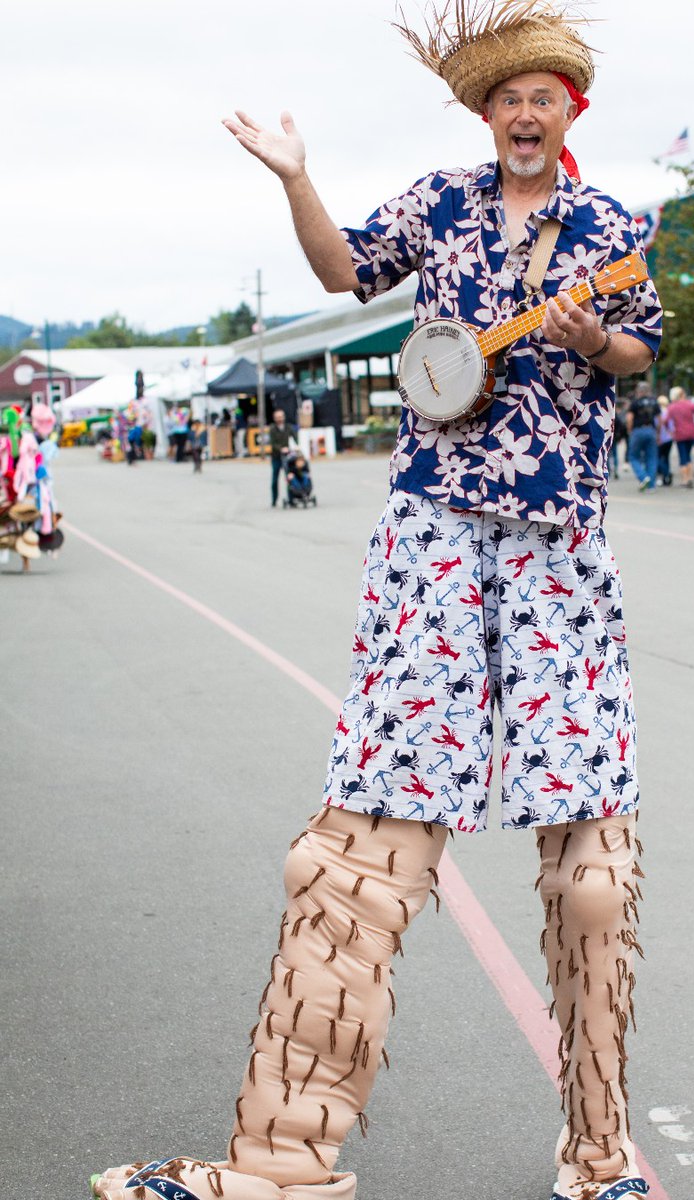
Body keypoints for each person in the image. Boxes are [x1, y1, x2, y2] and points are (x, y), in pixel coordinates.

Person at [91, 7, 662, 1200]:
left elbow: (638, 354)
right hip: (434, 529)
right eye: (505, 99)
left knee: (593, 872)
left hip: (560, 535)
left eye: (543, 96)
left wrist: (591, 333)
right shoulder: (436, 202)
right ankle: (280, 1163)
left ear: (571, 111)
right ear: (486, 113)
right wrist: (299, 180)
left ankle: (601, 1161)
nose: (522, 114)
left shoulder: (612, 225)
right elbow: (347, 270)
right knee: (360, 845)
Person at [625, 382, 659, 492]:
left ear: (638, 391)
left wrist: (630, 431)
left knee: (633, 457)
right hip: (651, 430)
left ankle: (643, 477)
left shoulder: (635, 403)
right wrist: (657, 432)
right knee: (651, 458)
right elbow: (660, 419)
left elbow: (629, 418)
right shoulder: (654, 402)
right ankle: (651, 486)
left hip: (638, 431)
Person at [666, 385, 694, 489]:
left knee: (683, 456)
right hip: (692, 432)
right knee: (688, 456)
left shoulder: (672, 407)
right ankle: (690, 477)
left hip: (680, 434)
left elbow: (666, 421)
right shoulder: (690, 404)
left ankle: (685, 480)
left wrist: (670, 431)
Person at [268, 408, 293, 507]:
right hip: (276, 457)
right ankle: (274, 500)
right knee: (275, 479)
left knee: (289, 477)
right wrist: (281, 449)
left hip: (288, 457)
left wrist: (294, 447)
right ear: (274, 418)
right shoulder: (272, 429)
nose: (279, 419)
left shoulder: (288, 427)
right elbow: (272, 443)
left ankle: (291, 498)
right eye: (277, 417)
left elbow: (294, 438)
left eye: (281, 417)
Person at [655, 395, 674, 486]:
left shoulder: (657, 413)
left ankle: (666, 474)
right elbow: (671, 426)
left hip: (660, 438)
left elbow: (656, 425)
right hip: (669, 438)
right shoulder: (668, 412)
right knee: (666, 458)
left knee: (658, 458)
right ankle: (666, 478)